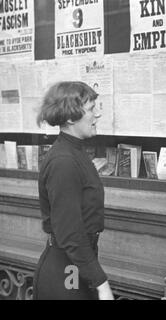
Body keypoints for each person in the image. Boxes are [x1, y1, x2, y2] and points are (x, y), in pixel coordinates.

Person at [33, 81, 114, 300]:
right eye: (90, 109)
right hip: (65, 269)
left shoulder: (73, 152)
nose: (97, 115)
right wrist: (101, 283)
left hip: (75, 265)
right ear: (70, 117)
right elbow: (70, 231)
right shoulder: (64, 161)